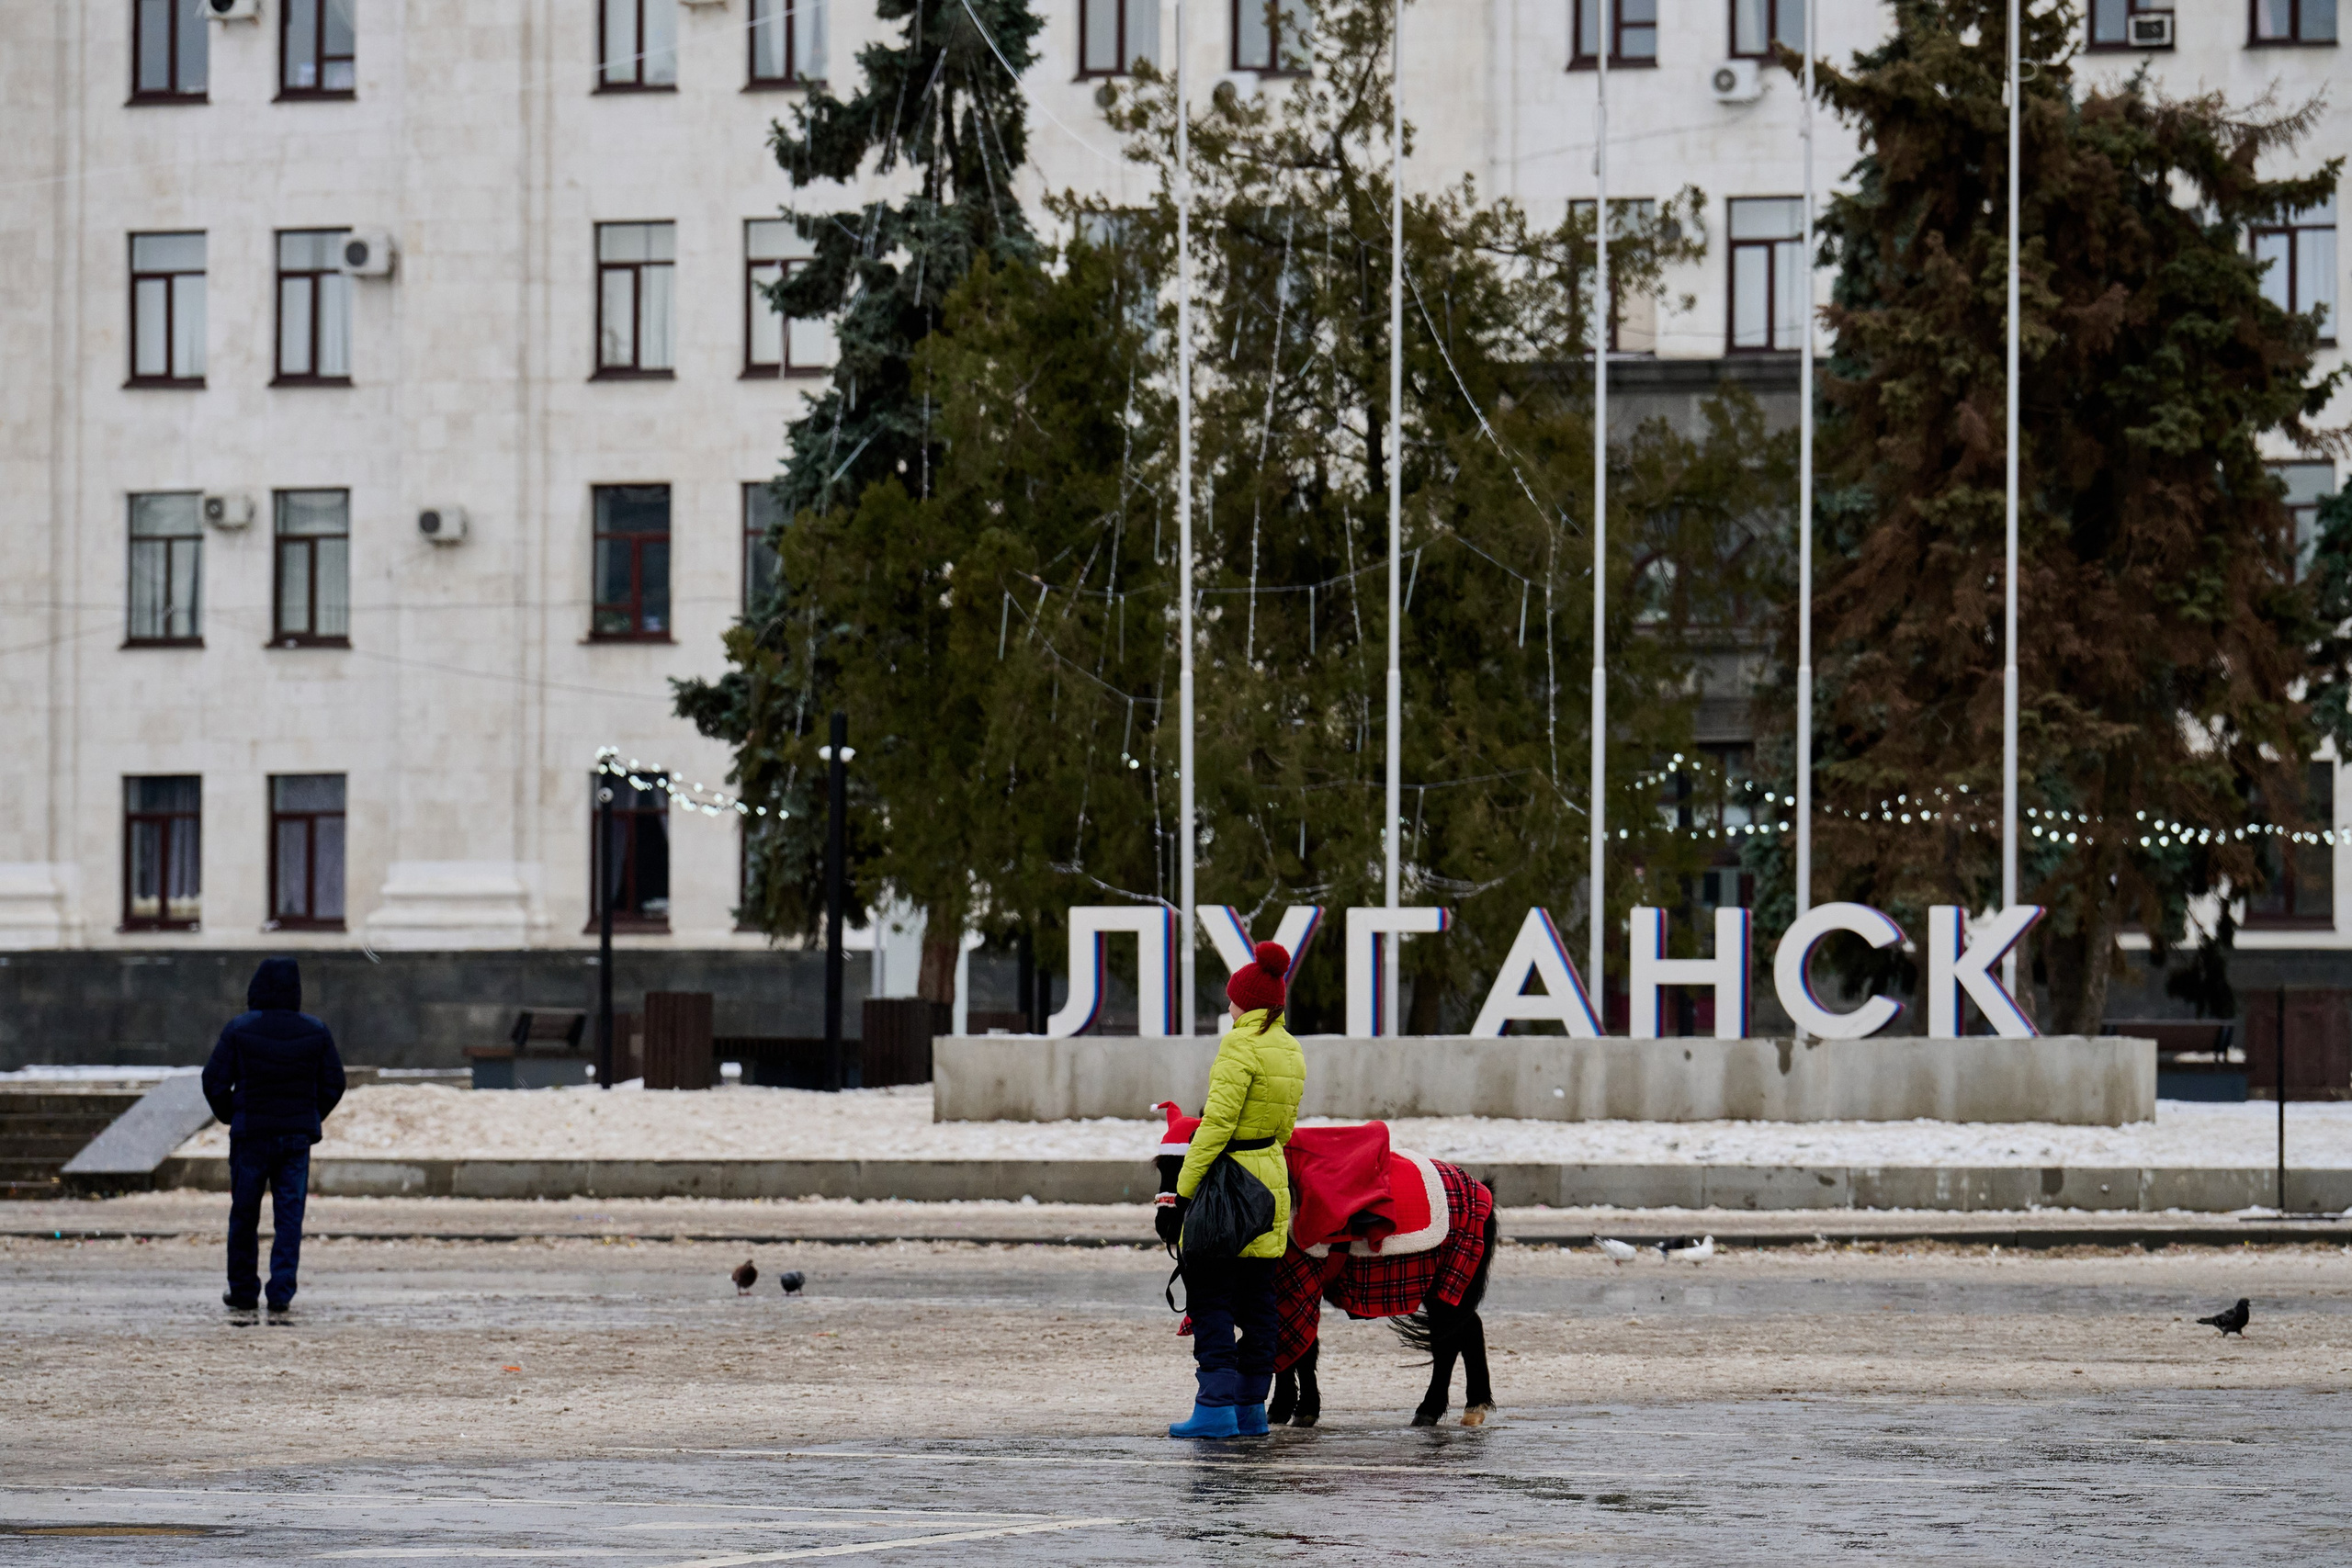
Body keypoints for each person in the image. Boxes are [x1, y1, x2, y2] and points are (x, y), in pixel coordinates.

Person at [1158, 940, 1305, 1439]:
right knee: (1260, 1300)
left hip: (1230, 1183)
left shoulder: (1239, 1046)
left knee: (1211, 1294)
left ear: (1249, 1002)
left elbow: (1216, 1126)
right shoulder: (1290, 1047)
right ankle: (1250, 1410)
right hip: (1272, 1180)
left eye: (1232, 999)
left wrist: (1184, 1189)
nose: (1228, 1006)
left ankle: (1214, 1409)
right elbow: (1285, 1128)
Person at [200, 957, 345, 1316]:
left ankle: (244, 1291)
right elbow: (334, 1083)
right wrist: (309, 1115)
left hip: (251, 1135)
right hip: (295, 1139)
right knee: (289, 1217)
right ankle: (280, 1292)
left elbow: (213, 1081)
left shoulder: (240, 1029)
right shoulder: (315, 1030)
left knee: (244, 1216)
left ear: (256, 988)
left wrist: (232, 1114)